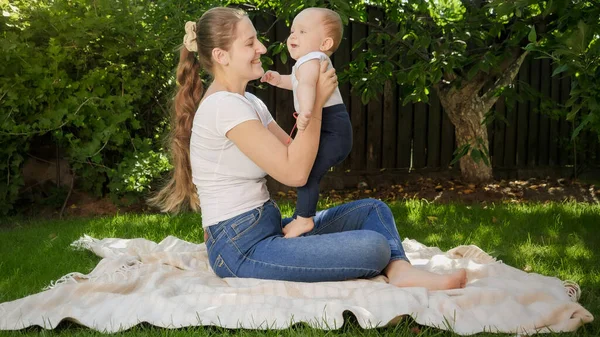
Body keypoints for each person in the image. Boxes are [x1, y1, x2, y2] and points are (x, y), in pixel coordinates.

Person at [150, 7, 467, 289]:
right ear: (222, 56)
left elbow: (296, 148)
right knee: (374, 247)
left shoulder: (249, 102)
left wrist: (323, 110)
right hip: (239, 248)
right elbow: (296, 172)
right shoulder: (224, 108)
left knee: (373, 210)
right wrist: (314, 102)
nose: (262, 47)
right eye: (250, 43)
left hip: (266, 227)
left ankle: (399, 271)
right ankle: (391, 262)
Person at [260, 8, 352, 238]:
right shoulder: (307, 62)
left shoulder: (312, 59)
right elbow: (298, 83)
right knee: (308, 169)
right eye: (292, 31)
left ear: (325, 43)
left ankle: (304, 219)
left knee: (307, 172)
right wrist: (278, 79)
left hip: (331, 127)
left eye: (302, 31)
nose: (293, 36)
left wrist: (307, 110)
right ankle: (303, 217)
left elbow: (308, 86)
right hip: (333, 127)